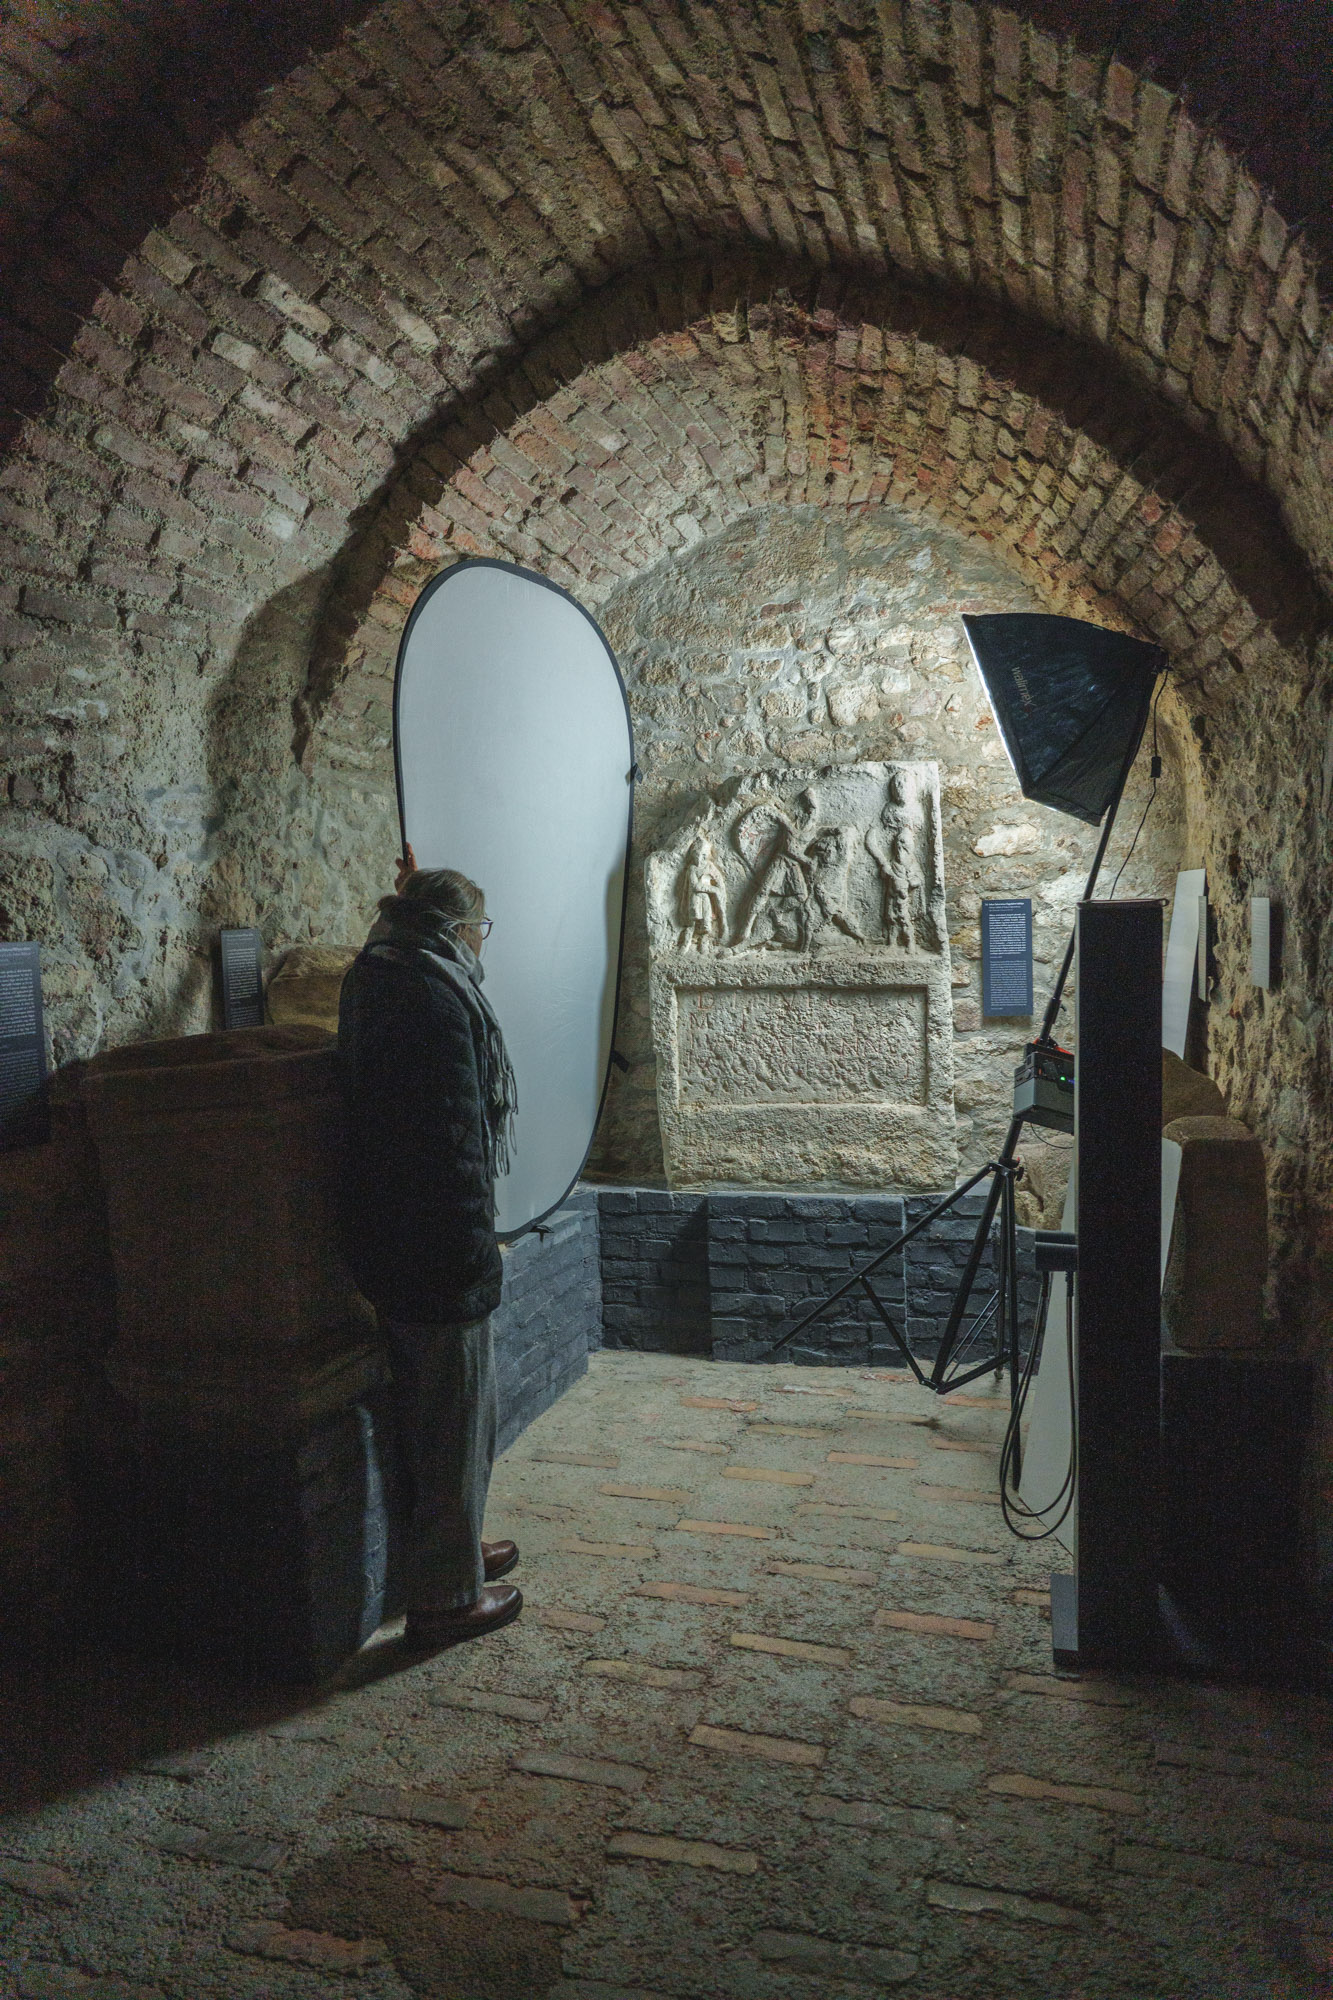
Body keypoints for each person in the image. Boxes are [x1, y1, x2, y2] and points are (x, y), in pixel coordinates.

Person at [337, 843, 522, 1652]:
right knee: (452, 1420)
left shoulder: (382, 971)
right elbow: (446, 1142)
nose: (482, 941)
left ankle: (454, 1550)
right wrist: (472, 1250)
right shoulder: (428, 993)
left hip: (395, 1234)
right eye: (479, 926)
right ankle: (447, 1598)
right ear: (452, 928)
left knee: (438, 1416)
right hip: (436, 1244)